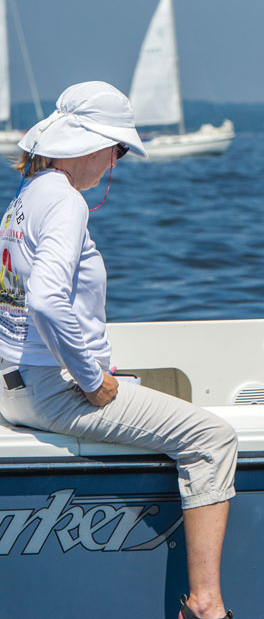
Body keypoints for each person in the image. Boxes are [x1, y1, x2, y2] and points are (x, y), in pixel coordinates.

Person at [0, 82, 235, 619]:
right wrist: (90, 378)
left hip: (14, 385)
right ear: (89, 144)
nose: (116, 161)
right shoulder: (65, 201)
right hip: (53, 389)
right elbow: (45, 299)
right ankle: (207, 605)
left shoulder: (27, 196)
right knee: (211, 437)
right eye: (118, 148)